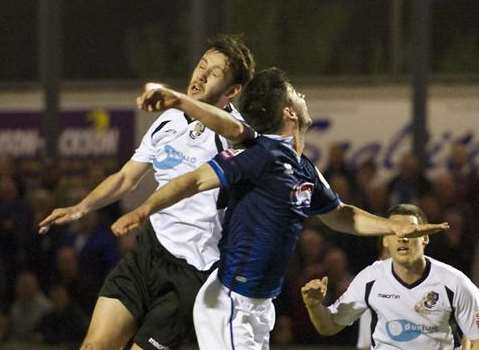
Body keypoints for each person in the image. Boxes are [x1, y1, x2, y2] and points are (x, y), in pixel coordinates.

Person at [111, 68, 448, 350]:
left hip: (260, 306)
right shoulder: (259, 154)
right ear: (289, 111)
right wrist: (145, 209)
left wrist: (394, 227)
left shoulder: (303, 168)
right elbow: (193, 181)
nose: (303, 97)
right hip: (230, 303)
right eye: (296, 93)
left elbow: (341, 215)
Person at [38, 34, 255, 350]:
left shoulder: (238, 134)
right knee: (93, 347)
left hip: (193, 273)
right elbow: (126, 177)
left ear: (233, 90)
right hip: (147, 255)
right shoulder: (168, 121)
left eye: (215, 73)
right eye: (201, 66)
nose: (201, 76)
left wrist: (179, 99)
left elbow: (236, 132)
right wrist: (80, 208)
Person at [301, 204, 479, 350]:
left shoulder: (454, 282)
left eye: (410, 232)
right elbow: (329, 325)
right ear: (385, 241)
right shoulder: (370, 279)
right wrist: (314, 306)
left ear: (425, 238)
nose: (402, 238)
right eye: (395, 232)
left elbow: (476, 338)